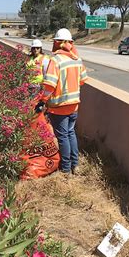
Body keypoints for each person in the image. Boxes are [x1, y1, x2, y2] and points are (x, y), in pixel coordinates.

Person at [36, 28, 88, 175]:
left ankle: (66, 169)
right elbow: (83, 80)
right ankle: (75, 165)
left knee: (63, 136)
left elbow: (50, 84)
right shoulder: (77, 59)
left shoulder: (56, 61)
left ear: (57, 43)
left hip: (59, 107)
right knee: (71, 133)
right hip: (74, 105)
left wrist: (42, 101)